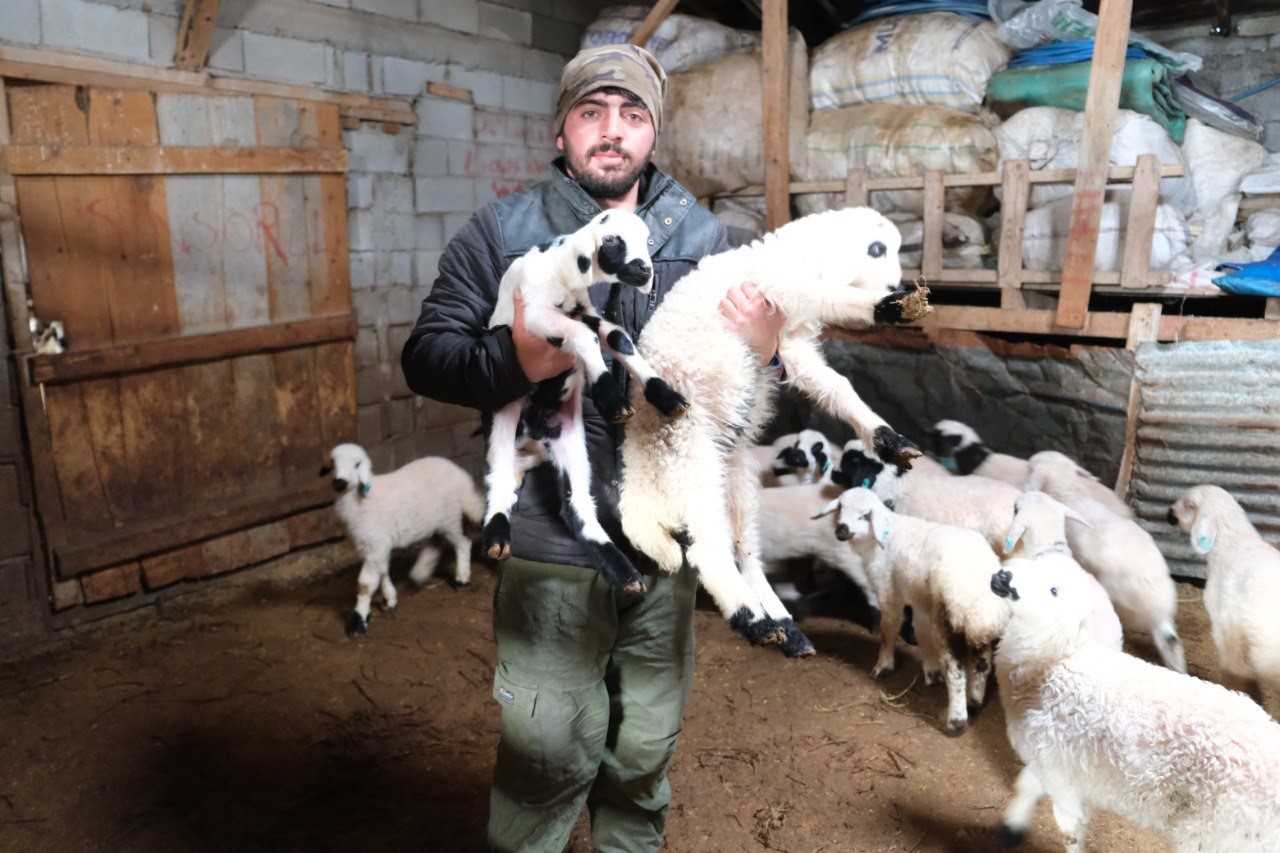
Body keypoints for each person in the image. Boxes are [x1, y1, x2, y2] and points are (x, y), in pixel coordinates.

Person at [401, 43, 785, 852]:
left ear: (653, 133)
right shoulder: (503, 230)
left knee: (644, 747)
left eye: (632, 115)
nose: (612, 132)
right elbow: (427, 353)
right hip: (550, 540)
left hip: (664, 533)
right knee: (548, 749)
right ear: (562, 130)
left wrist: (767, 347)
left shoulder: (705, 235)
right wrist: (515, 359)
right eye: (592, 113)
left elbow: (746, 380)